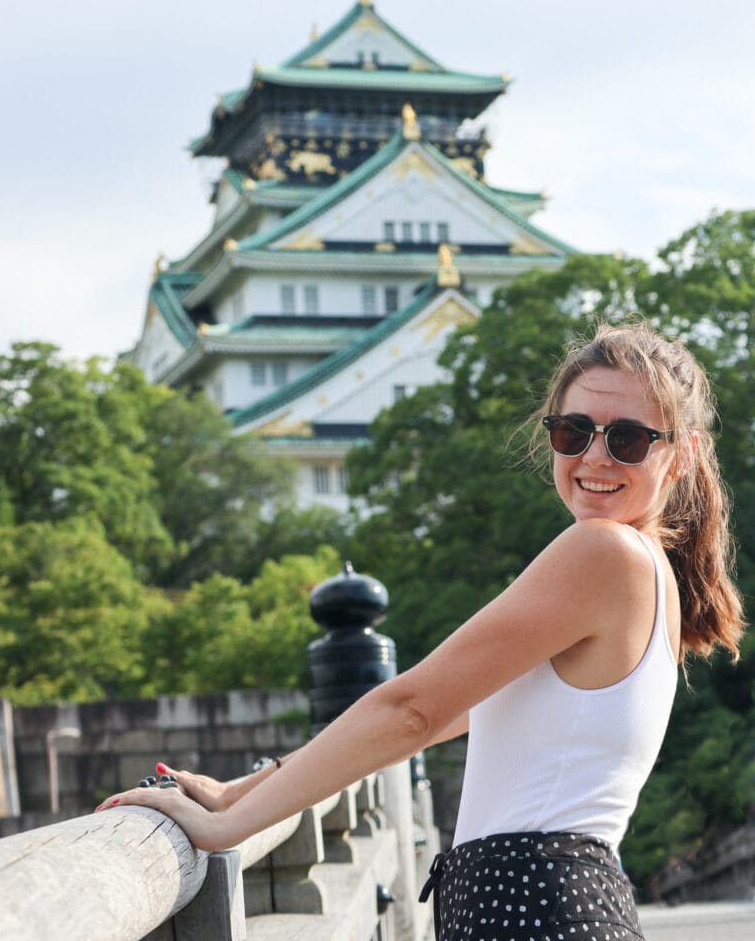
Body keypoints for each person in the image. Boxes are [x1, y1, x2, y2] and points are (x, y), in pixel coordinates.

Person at [96, 322, 745, 941]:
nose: (594, 456)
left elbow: (410, 709)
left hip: (537, 909)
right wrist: (239, 790)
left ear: (682, 455)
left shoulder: (603, 552)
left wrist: (228, 827)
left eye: (627, 438)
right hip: (548, 903)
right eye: (573, 431)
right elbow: (438, 720)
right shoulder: (645, 571)